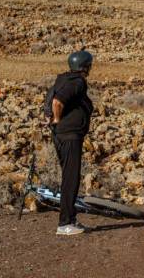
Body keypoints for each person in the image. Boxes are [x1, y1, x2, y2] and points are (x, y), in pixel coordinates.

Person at [49, 50, 94, 236]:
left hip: (63, 135)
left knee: (70, 177)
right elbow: (57, 102)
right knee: (71, 179)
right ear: (85, 66)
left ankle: (71, 219)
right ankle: (65, 223)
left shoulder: (64, 79)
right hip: (69, 136)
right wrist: (58, 119)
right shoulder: (77, 82)